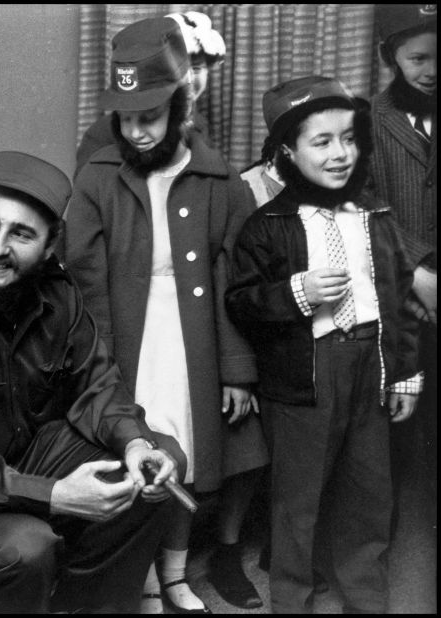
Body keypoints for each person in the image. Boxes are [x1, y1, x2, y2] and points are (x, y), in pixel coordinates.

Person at [0, 150, 185, 614]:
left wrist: (136, 445)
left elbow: (97, 384)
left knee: (157, 461)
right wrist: (57, 496)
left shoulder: (58, 294)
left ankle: (87, 604)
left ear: (48, 246)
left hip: (28, 458)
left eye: (21, 234)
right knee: (27, 546)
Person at [65, 17, 267, 614]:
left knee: (189, 452)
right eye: (126, 117)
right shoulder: (98, 176)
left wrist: (235, 368)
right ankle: (143, 580)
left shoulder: (219, 179)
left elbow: (236, 280)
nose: (137, 130)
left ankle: (175, 575)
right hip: (124, 340)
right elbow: (82, 277)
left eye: (149, 116)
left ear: (180, 109)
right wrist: (99, 361)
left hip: (194, 340)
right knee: (140, 446)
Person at [226, 76, 422, 614]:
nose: (341, 154)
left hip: (371, 368)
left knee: (369, 491)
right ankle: (292, 598)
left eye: (350, 138)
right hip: (306, 377)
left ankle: (366, 595)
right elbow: (241, 303)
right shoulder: (268, 226)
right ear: (288, 151)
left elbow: (399, 297)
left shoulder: (375, 215)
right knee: (298, 500)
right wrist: (295, 293)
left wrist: (405, 371)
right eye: (322, 142)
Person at [371, 3, 437, 519]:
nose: (431, 71)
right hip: (398, 291)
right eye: (417, 59)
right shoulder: (369, 119)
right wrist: (416, 269)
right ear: (389, 57)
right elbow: (366, 202)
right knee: (394, 422)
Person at [75, 10, 227, 176]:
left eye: (196, 68)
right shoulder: (100, 137)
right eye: (181, 69)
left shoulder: (199, 127)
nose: (189, 79)